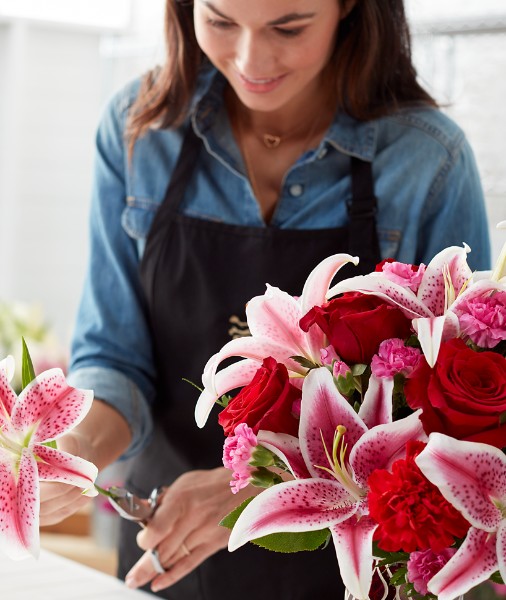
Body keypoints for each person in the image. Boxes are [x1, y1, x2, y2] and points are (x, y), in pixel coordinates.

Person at [40, 0, 491, 598]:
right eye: (221, 20)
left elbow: (455, 422)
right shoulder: (139, 129)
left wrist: (248, 490)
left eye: (289, 26)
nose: (250, 59)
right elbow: (116, 355)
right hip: (167, 550)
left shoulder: (428, 160)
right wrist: (77, 449)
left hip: (355, 568)